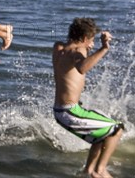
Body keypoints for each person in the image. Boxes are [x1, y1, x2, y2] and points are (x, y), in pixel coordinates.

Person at [52, 18, 124, 178]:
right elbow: (82, 67)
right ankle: (99, 170)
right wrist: (104, 48)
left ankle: (89, 171)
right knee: (116, 130)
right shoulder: (78, 51)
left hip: (62, 110)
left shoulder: (58, 47)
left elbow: (73, 58)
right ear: (84, 39)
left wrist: (85, 47)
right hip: (69, 112)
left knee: (100, 137)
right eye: (91, 41)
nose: (91, 45)